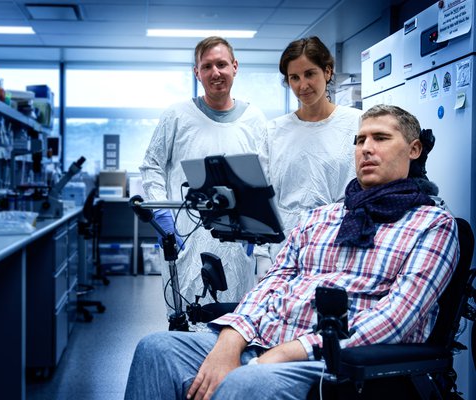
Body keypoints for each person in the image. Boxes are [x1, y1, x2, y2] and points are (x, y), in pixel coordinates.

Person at [124, 104, 459, 400]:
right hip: (265, 336)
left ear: (414, 149)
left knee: (249, 383)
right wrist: (231, 340)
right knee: (157, 349)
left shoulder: (433, 225)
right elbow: (272, 282)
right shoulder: (323, 216)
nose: (366, 149)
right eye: (360, 140)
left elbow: (396, 319)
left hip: (329, 358)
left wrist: (285, 353)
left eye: (381, 138)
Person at [139, 36, 267, 315]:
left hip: (238, 241)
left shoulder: (254, 119)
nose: (215, 72)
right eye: (207, 66)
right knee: (187, 320)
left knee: (235, 324)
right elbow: (152, 166)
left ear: (235, 66)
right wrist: (162, 215)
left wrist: (257, 235)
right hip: (187, 238)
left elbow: (265, 178)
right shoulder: (177, 116)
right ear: (196, 72)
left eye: (221, 64)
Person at [255, 36, 363, 278]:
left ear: (327, 71)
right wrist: (262, 254)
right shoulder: (274, 131)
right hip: (284, 248)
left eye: (309, 74)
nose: (302, 85)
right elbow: (263, 196)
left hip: (339, 245)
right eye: (294, 78)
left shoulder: (357, 122)